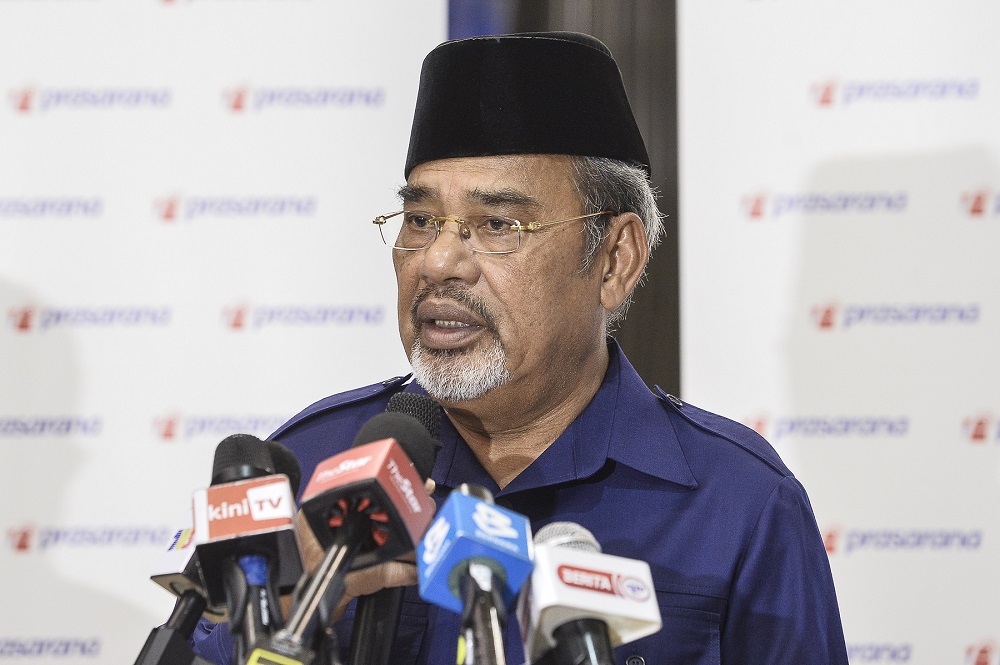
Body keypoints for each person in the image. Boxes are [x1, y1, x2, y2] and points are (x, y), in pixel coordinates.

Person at [192, 31, 849, 664]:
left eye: (498, 223)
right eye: (421, 219)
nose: (440, 259)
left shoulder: (739, 503)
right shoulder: (314, 461)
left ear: (615, 259)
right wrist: (279, 615)